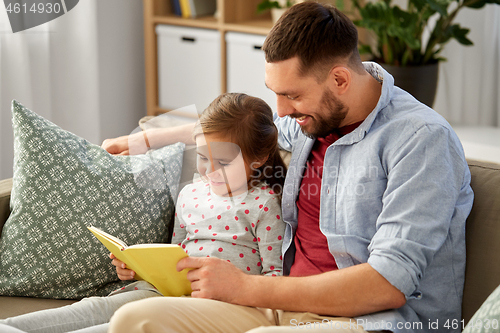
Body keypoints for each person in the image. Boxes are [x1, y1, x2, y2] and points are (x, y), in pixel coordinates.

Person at [104, 3, 474, 333]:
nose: (281, 110)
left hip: (369, 321)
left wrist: (245, 287)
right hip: (282, 308)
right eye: (275, 92)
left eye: (292, 95)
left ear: (340, 80)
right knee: (135, 320)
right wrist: (147, 139)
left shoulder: (422, 140)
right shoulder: (312, 120)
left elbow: (387, 284)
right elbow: (246, 129)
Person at [0, 93, 287, 333]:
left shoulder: (263, 204)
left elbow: (274, 276)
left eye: (223, 162)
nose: (209, 170)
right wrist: (138, 267)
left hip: (215, 302)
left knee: (118, 326)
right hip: (163, 290)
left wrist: (233, 290)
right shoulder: (190, 194)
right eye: (202, 157)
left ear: (259, 158)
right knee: (95, 308)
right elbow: (174, 252)